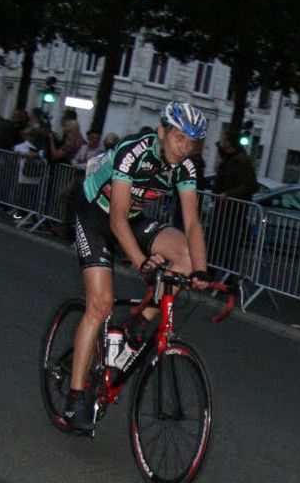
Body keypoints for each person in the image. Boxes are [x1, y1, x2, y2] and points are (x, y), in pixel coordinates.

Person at [63, 101, 209, 432]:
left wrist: (201, 270)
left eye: (191, 142)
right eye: (178, 138)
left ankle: (138, 323)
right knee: (99, 307)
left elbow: (193, 224)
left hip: (132, 217)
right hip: (95, 215)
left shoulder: (185, 167)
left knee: (185, 257)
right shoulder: (134, 150)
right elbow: (115, 218)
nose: (183, 148)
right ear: (162, 131)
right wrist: (141, 262)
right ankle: (74, 398)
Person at [210, 131, 259, 276]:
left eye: (226, 142)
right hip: (223, 206)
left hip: (233, 209)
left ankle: (228, 276)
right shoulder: (229, 159)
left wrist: (229, 194)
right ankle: (213, 270)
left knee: (228, 243)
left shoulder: (240, 162)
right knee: (216, 240)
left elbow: (250, 185)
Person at [51, 130, 102, 238]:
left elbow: (90, 166)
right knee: (64, 196)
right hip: (77, 177)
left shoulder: (99, 152)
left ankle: (68, 228)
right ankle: (62, 223)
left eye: (97, 138)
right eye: (93, 138)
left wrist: (78, 165)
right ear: (88, 138)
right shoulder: (83, 148)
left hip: (88, 180)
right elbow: (75, 159)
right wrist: (75, 164)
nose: (95, 141)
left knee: (78, 203)